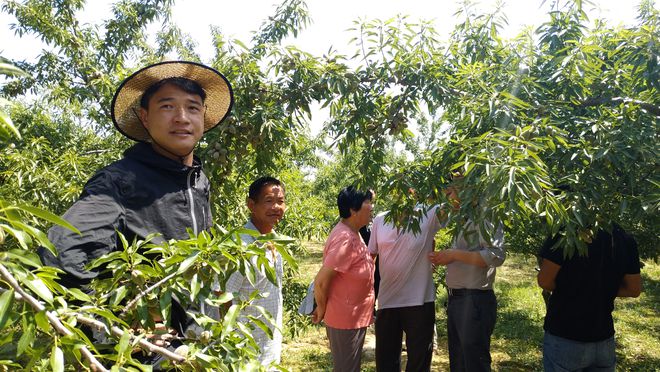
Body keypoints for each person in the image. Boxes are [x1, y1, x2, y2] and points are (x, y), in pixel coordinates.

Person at [37, 60, 233, 360]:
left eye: (193, 108)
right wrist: (111, 326)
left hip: (192, 346)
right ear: (144, 116)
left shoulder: (198, 179)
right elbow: (61, 251)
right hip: (145, 357)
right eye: (167, 107)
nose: (182, 118)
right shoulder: (121, 181)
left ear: (204, 117)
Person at [537, 224, 642, 372]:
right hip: (603, 339)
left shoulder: (567, 232)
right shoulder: (622, 237)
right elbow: (633, 288)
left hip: (565, 336)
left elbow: (544, 280)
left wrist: (571, 288)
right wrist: (603, 289)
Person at [428, 185, 505, 372]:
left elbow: (496, 255)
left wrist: (454, 255)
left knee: (474, 363)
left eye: (449, 193)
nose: (446, 199)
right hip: (458, 300)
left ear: (466, 189)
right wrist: (446, 257)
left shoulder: (485, 215)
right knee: (459, 362)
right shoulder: (463, 219)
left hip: (474, 301)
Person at [368, 205, 442, 372]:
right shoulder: (380, 219)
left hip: (420, 301)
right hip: (388, 301)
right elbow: (370, 256)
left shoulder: (428, 213)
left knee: (419, 361)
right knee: (386, 362)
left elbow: (455, 205)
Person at [224, 176, 287, 369]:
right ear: (251, 205)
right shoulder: (240, 245)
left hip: (268, 345)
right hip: (246, 349)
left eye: (280, 201)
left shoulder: (274, 240)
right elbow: (223, 297)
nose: (276, 207)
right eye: (269, 201)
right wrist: (231, 344)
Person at [312, 186, 375, 372]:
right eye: (368, 202)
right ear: (353, 209)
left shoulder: (353, 232)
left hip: (352, 317)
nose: (372, 207)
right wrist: (321, 307)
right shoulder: (345, 239)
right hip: (345, 319)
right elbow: (321, 281)